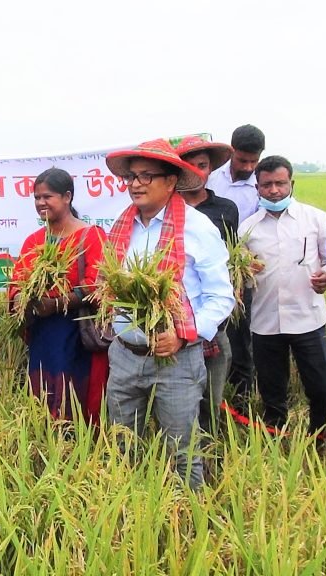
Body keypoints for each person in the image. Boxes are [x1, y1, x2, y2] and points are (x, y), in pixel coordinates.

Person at [103, 139, 235, 488]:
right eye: (132, 176)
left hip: (176, 361)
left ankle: (187, 524)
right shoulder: (121, 227)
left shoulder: (197, 227)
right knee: (123, 446)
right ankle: (129, 517)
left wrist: (183, 334)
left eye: (147, 176)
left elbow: (221, 297)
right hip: (125, 355)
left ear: (171, 181)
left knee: (183, 450)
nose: (136, 183)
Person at [239, 155, 326, 435]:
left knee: (320, 387)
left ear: (291, 183)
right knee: (271, 390)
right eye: (267, 185)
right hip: (266, 322)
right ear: (257, 188)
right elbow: (239, 272)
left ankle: (320, 439)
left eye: (280, 183)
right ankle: (275, 440)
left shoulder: (315, 219)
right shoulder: (248, 228)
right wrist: (245, 270)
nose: (274, 191)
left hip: (309, 319)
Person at [8, 168, 109, 423]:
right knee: (44, 392)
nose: (41, 203)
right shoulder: (34, 240)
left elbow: (99, 283)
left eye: (47, 196)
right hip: (43, 331)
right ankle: (45, 444)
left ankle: (81, 447)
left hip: (78, 331)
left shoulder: (91, 236)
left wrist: (57, 304)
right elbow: (18, 279)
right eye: (36, 197)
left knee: (76, 395)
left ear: (67, 197)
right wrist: (21, 298)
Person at [174, 135, 239, 485]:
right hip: (171, 333)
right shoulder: (163, 213)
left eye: (201, 165)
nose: (196, 172)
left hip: (209, 329)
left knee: (208, 407)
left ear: (209, 168)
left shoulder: (224, 209)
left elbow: (227, 261)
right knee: (177, 411)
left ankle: (208, 469)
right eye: (189, 165)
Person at [207, 125, 265, 415]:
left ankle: (241, 400)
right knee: (214, 333)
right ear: (231, 152)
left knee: (243, 337)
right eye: (243, 160)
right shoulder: (211, 179)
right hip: (210, 272)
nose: (249, 167)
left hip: (244, 275)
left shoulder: (260, 186)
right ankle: (212, 397)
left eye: (254, 161)